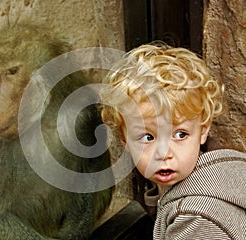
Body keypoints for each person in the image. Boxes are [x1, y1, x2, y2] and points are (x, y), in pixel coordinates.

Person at [100, 42, 246, 239]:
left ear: (203, 130)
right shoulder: (223, 170)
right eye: (148, 137)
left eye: (180, 135)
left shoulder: (195, 220)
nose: (164, 153)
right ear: (124, 141)